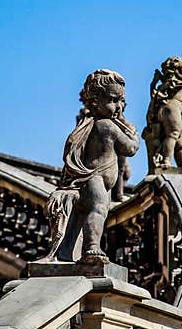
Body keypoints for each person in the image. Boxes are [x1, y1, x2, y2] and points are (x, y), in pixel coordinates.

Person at [42, 69, 140, 263]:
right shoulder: (107, 126)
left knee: (89, 214)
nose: (119, 107)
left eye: (122, 101)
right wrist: (133, 133)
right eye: (113, 100)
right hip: (96, 180)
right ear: (95, 102)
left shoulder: (90, 124)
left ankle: (71, 250)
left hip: (94, 180)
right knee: (98, 210)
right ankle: (92, 247)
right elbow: (130, 148)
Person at [142, 56, 182, 170]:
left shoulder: (162, 86)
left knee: (180, 141)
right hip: (173, 111)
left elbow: (154, 98)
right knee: (174, 134)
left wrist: (153, 83)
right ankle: (166, 160)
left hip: (162, 111)